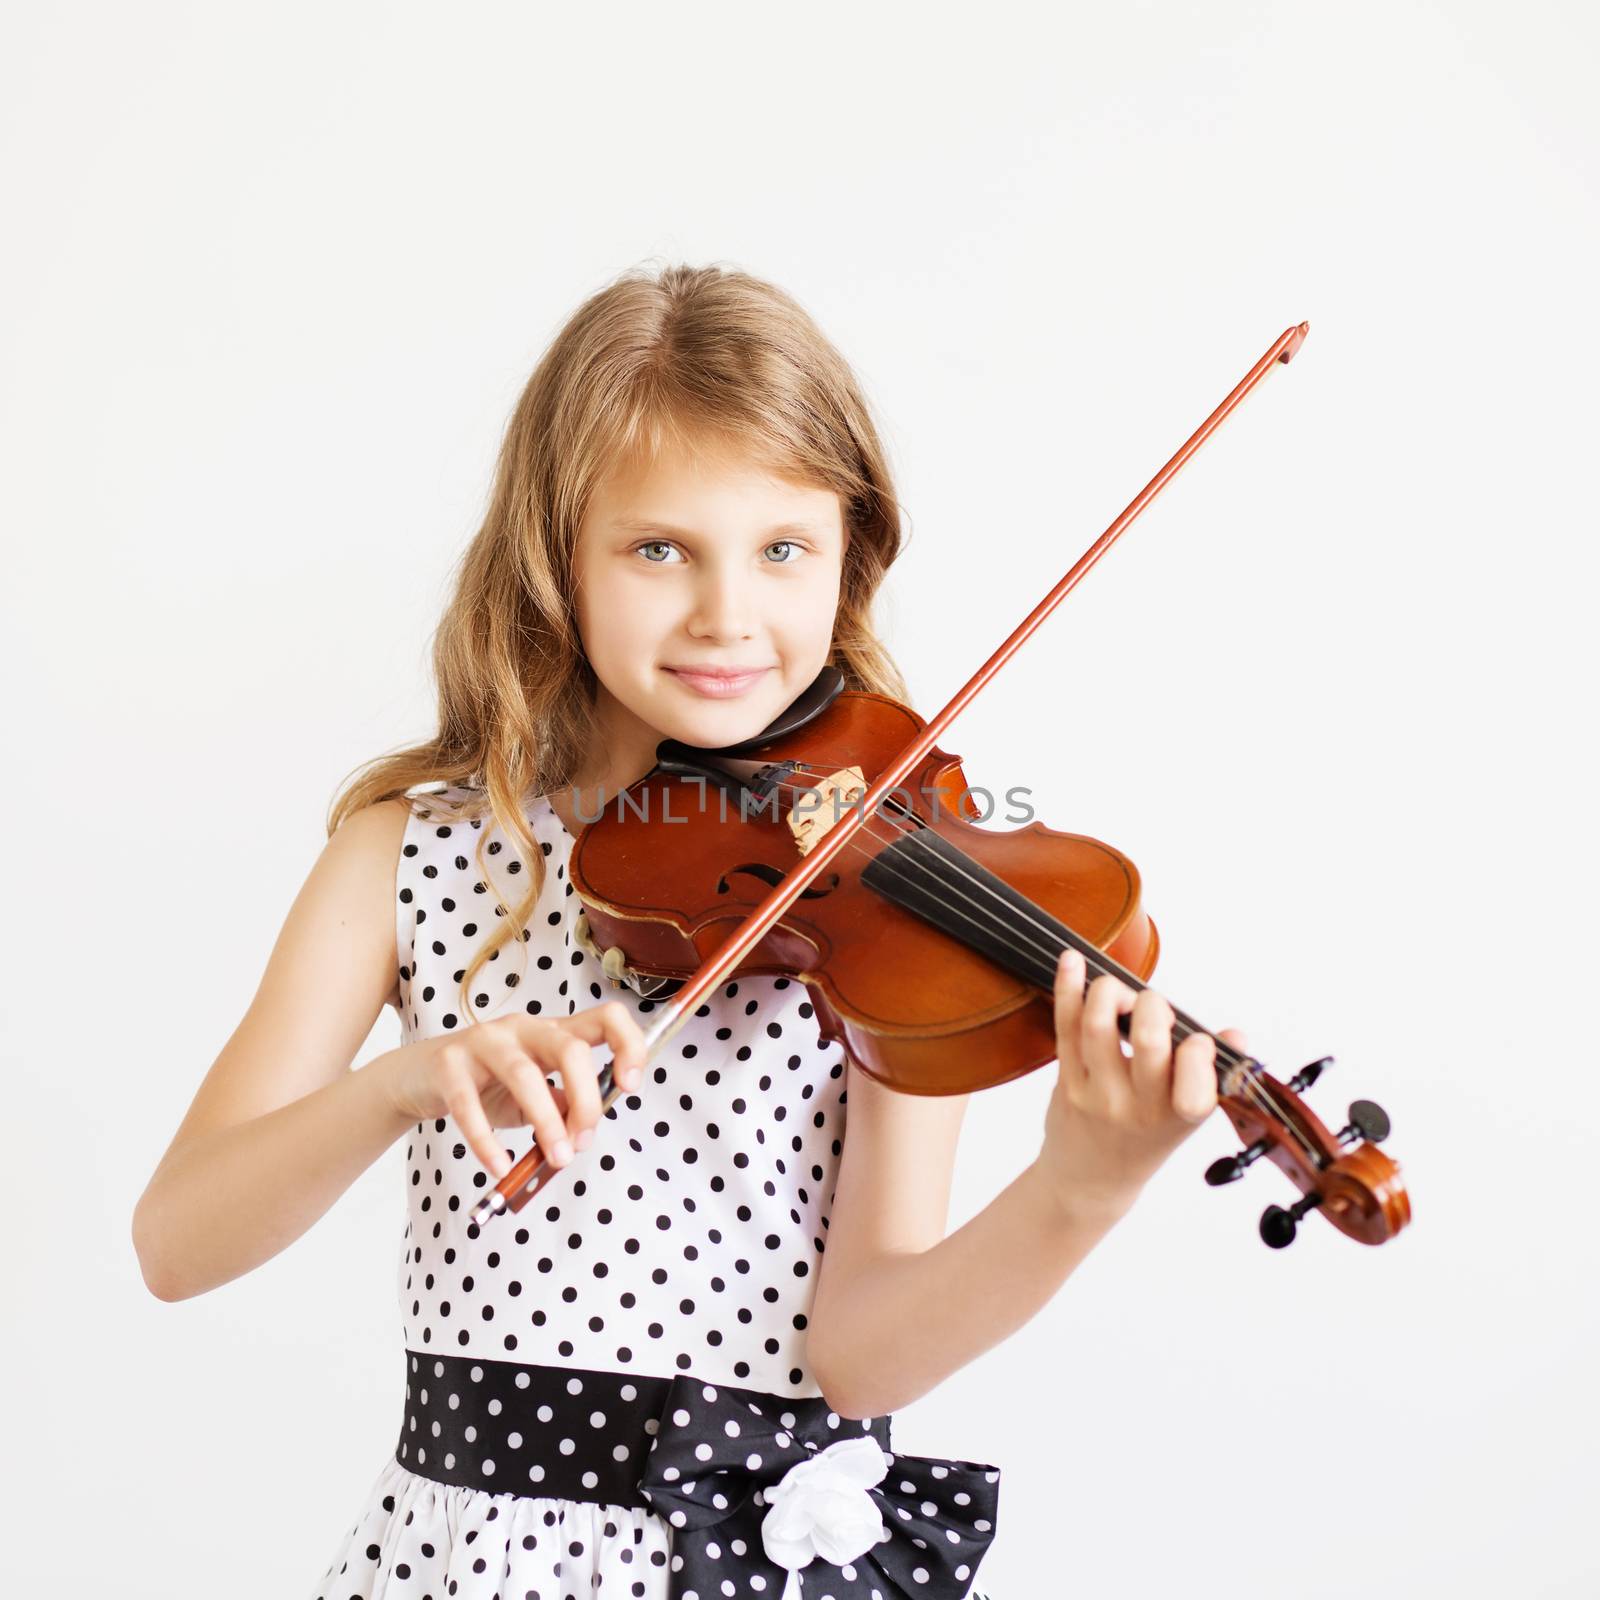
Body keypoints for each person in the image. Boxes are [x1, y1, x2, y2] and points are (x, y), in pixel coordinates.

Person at [131, 261, 1246, 1600]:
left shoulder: (886, 893)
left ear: (848, 559)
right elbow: (176, 1243)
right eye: (660, 549)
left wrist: (1082, 1184)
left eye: (783, 551)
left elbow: (867, 1355)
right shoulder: (411, 854)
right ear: (558, 557)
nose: (727, 614)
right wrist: (404, 1083)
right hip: (472, 1560)